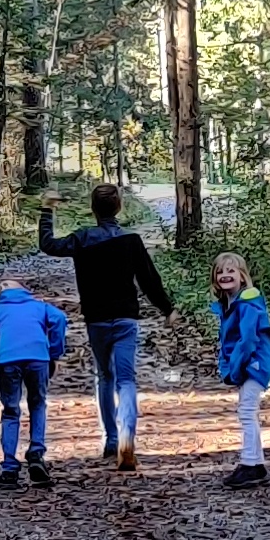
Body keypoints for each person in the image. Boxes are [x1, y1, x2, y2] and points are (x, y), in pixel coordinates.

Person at [39, 181, 170, 470]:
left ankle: (111, 439)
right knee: (127, 380)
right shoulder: (131, 241)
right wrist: (167, 310)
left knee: (104, 376)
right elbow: (149, 279)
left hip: (96, 320)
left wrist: (48, 209)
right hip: (126, 318)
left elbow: (48, 245)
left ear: (93, 208)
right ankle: (127, 436)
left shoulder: (83, 239)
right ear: (119, 207)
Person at [0, 279, 70, 489]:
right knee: (37, 404)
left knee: (11, 411)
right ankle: (36, 455)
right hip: (38, 359)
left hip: (7, 361)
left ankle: (9, 469)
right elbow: (60, 318)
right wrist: (55, 353)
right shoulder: (40, 307)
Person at [210, 253, 270, 487]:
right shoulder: (229, 304)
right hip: (247, 362)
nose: (225, 275)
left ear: (242, 276)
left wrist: (237, 368)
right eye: (220, 271)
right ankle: (256, 463)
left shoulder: (248, 303)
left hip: (255, 362)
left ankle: (250, 464)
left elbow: (248, 339)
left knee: (247, 411)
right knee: (248, 411)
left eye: (231, 271)